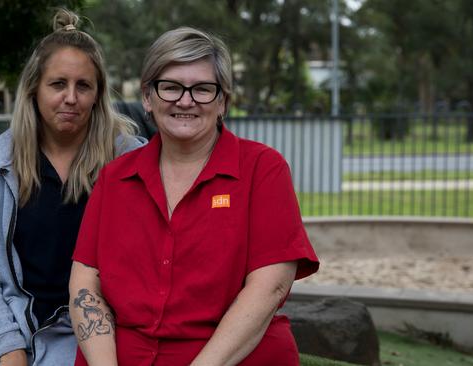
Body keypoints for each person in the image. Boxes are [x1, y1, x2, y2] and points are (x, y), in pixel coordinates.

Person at [70, 27, 319, 365]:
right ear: (147, 97)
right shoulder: (115, 178)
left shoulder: (263, 169)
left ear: (224, 101)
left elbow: (269, 288)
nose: (185, 101)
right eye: (170, 87)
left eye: (202, 89)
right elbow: (85, 285)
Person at [0, 9, 145, 366]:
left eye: (84, 86)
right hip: (14, 321)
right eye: (58, 84)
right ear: (34, 88)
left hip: (96, 324)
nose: (71, 98)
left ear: (98, 93)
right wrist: (8, 347)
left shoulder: (127, 160)